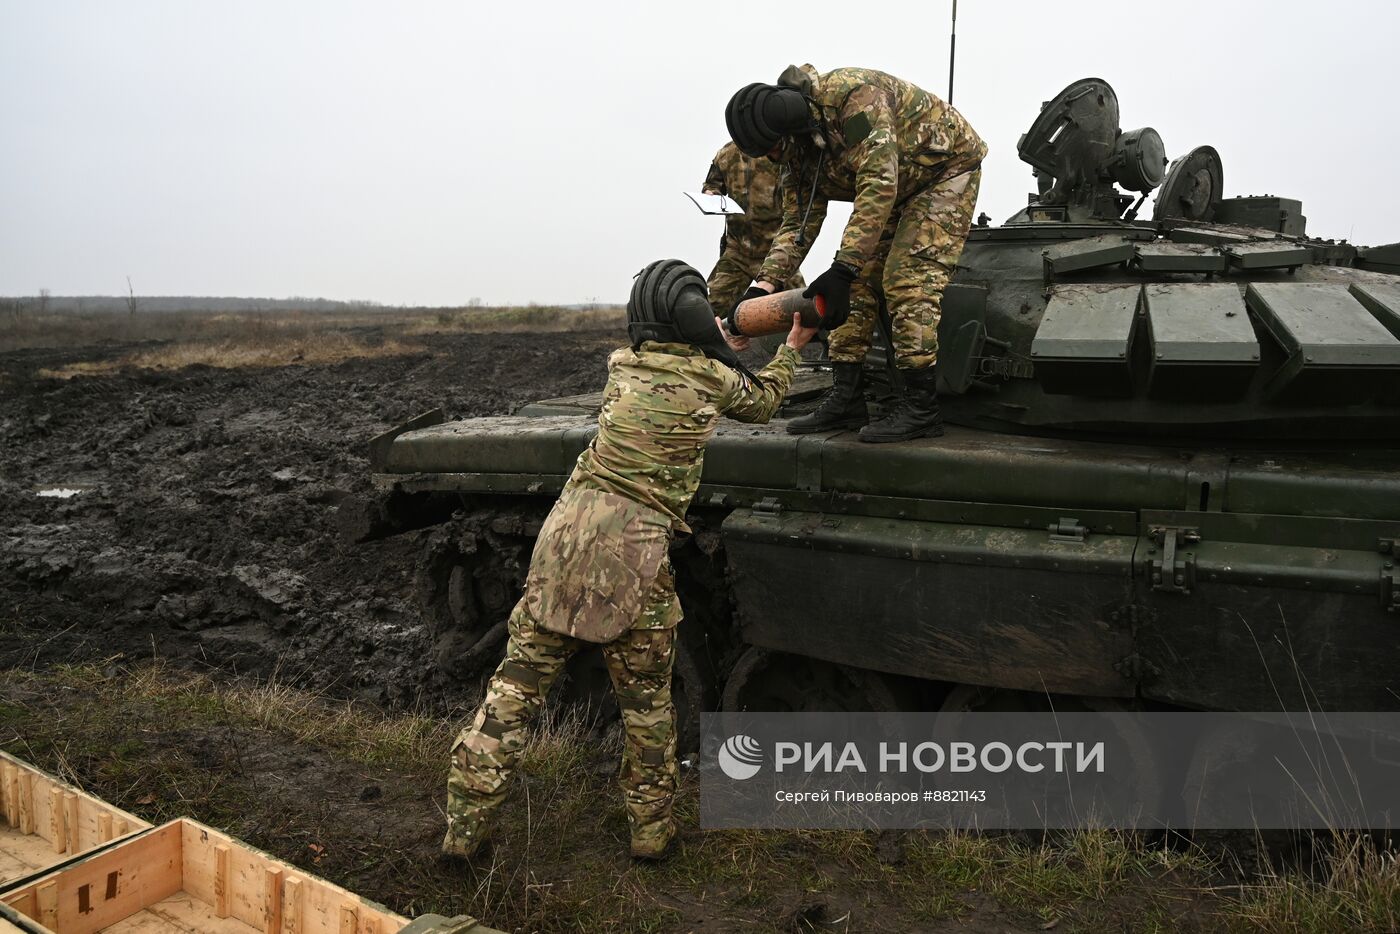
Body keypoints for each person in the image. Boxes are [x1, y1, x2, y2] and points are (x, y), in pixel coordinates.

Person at [442, 259, 818, 861]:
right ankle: (650, 836)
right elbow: (764, 401)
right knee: (645, 711)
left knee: (511, 695)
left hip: (564, 542)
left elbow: (679, 363)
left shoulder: (623, 366)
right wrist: (792, 344)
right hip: (634, 562)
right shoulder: (711, 380)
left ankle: (462, 831)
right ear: (695, 314)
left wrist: (716, 343)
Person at [724, 64, 987, 442]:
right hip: (901, 186)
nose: (776, 158)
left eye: (776, 148)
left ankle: (921, 408)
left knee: (905, 278)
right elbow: (798, 223)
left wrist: (842, 267)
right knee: (857, 285)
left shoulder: (854, 99)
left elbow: (877, 187)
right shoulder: (795, 148)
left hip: (944, 171)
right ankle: (847, 397)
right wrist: (764, 284)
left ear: (793, 122)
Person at [701, 141, 805, 319]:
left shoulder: (778, 151)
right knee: (711, 310)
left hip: (775, 253)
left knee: (802, 311)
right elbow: (711, 185)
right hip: (737, 252)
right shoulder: (726, 154)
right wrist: (711, 194)